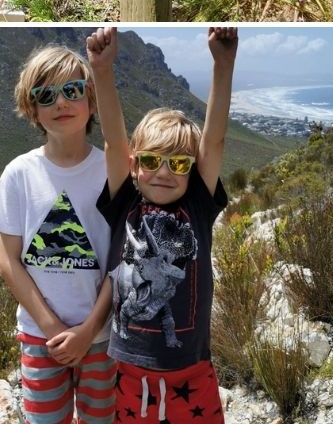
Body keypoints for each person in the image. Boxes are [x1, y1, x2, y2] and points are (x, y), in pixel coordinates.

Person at [86, 27, 238, 424]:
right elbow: (114, 142)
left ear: (192, 169)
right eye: (152, 161)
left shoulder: (198, 207)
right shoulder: (126, 203)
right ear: (135, 165)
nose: (165, 173)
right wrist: (101, 70)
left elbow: (215, 141)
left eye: (180, 164)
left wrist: (223, 64)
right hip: (130, 369)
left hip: (191, 365)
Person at [0, 45, 117, 424]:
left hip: (102, 337)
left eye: (73, 90)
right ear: (32, 109)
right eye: (46, 95)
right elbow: (8, 261)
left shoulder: (112, 172)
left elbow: (121, 259)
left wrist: (88, 329)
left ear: (91, 101)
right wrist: (53, 329)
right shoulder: (18, 174)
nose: (61, 102)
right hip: (39, 336)